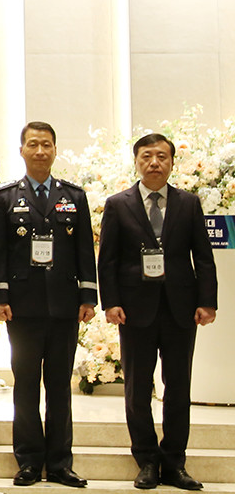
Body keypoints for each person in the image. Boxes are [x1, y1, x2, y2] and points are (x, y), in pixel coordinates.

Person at [99, 133, 218, 491]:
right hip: (134, 310)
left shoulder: (189, 203)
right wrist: (111, 302)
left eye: (162, 157)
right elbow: (108, 260)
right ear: (136, 161)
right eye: (147, 156)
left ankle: (175, 463)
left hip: (181, 309)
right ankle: (147, 460)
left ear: (171, 162)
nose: (155, 163)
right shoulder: (118, 204)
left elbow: (204, 258)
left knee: (178, 387)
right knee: (137, 388)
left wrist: (207, 301)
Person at [0, 122, 96, 488]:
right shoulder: (3, 196)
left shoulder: (73, 196)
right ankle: (30, 461)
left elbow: (85, 251)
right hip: (23, 306)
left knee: (60, 386)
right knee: (26, 385)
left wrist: (88, 296)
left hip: (65, 306)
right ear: (21, 150)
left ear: (54, 149)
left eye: (46, 145)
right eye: (32, 144)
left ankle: (61, 462)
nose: (39, 151)